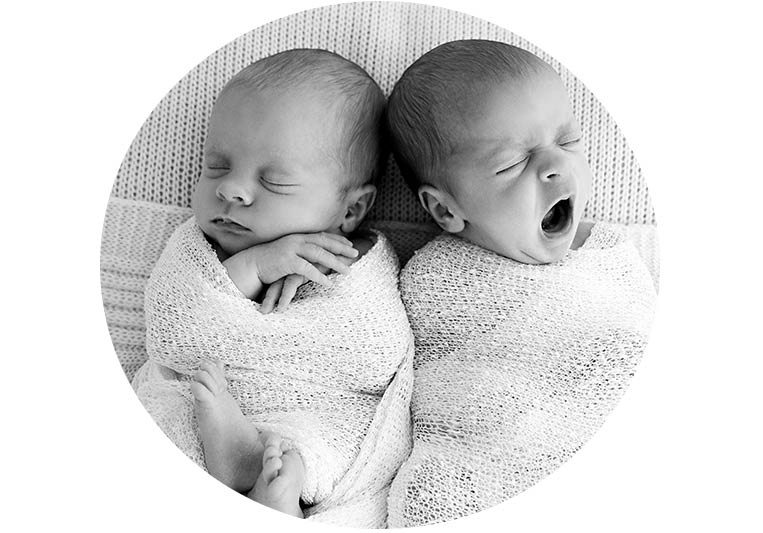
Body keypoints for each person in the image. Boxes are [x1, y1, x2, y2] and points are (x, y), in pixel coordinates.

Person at [133, 49, 413, 522]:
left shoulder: (364, 263)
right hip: (209, 405)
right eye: (217, 166)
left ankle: (277, 483)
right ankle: (248, 466)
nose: (231, 190)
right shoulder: (198, 248)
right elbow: (174, 324)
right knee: (175, 406)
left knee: (336, 440)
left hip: (322, 412)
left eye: (275, 182)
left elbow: (376, 355)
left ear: (350, 211)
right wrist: (254, 267)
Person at [384, 39, 657, 526]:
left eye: (568, 140)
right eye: (512, 164)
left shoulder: (611, 253)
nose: (556, 165)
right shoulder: (432, 281)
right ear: (446, 209)